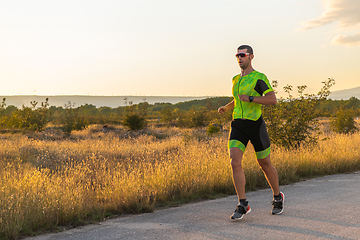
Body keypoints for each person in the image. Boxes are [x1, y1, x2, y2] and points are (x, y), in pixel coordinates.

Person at [218, 45, 284, 221]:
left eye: (243, 55)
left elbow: (272, 99)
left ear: (251, 57)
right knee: (234, 162)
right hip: (238, 125)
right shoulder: (235, 79)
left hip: (255, 126)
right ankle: (243, 203)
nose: (239, 58)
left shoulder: (258, 78)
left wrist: (252, 98)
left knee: (265, 164)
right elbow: (237, 99)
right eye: (237, 55)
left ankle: (278, 197)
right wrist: (227, 107)